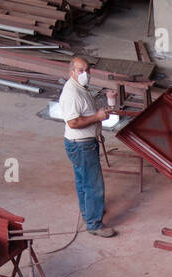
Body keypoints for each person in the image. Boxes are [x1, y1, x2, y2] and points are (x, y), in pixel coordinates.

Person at [59, 56, 115, 238]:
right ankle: (94, 223)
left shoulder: (79, 88)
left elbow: (83, 114)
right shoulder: (72, 94)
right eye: (81, 71)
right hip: (82, 145)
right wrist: (97, 118)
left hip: (81, 144)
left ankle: (89, 213)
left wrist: (100, 112)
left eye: (87, 70)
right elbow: (74, 122)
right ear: (71, 73)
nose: (86, 74)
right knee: (93, 184)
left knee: (83, 181)